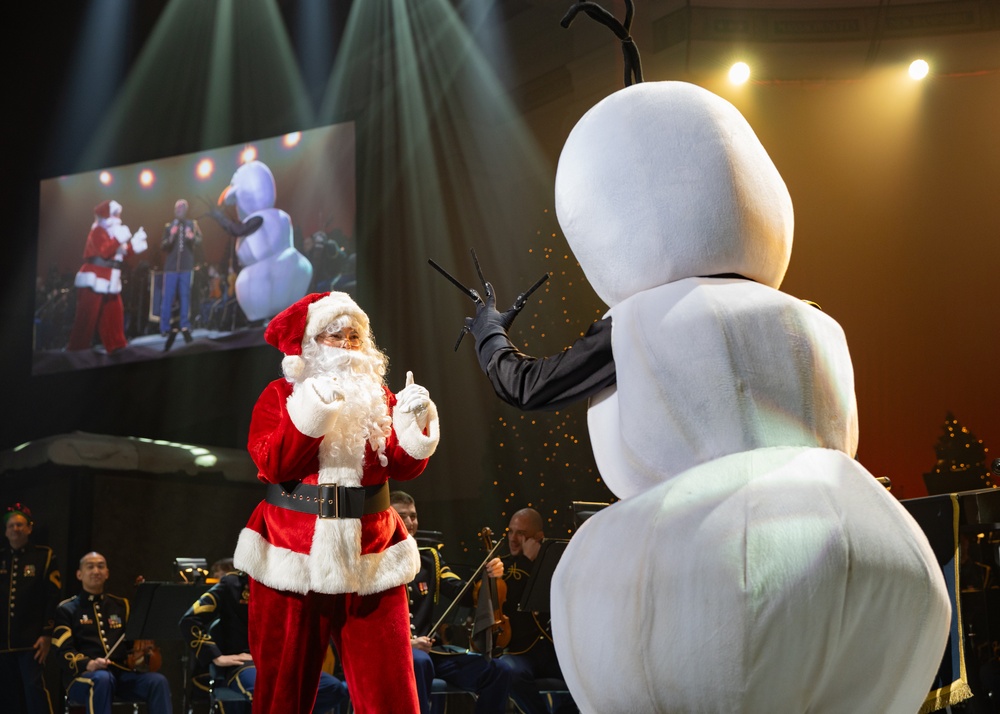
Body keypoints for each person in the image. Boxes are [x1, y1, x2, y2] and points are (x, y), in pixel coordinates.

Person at [232, 291, 441, 714]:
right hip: (291, 554)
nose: (347, 345)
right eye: (335, 335)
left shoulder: (380, 396)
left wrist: (417, 425)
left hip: (371, 554)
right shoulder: (281, 395)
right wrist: (312, 412)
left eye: (354, 336)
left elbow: (402, 466)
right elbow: (273, 465)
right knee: (281, 693)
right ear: (311, 344)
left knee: (390, 693)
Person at [390, 491, 511, 714]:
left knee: (499, 670)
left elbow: (462, 593)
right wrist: (407, 644)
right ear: (386, 518)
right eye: (402, 516)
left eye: (413, 516)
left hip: (431, 654)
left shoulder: (430, 558)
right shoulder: (372, 561)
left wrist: (488, 575)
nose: (410, 523)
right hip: (394, 655)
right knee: (419, 662)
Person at [179, 568, 349, 712]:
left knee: (333, 688)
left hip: (282, 663)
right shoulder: (233, 584)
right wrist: (216, 656)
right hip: (244, 663)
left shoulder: (288, 585)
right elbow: (190, 620)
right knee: (269, 693)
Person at [52, 552, 171, 714]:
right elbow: (62, 651)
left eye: (101, 566)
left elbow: (130, 645)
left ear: (107, 573)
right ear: (79, 574)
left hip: (120, 676)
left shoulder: (121, 606)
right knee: (102, 678)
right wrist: (89, 663)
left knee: (157, 681)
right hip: (83, 678)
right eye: (90, 567)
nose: (96, 571)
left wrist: (141, 652)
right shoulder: (67, 609)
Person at [495, 509, 575, 714]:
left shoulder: (558, 565)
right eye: (510, 531)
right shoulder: (503, 567)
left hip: (552, 652)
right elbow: (514, 598)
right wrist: (525, 562)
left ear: (539, 538)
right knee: (508, 671)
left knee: (583, 674)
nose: (513, 539)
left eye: (520, 534)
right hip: (520, 652)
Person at [0, 503, 62, 714]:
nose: (15, 529)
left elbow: (52, 596)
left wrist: (47, 633)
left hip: (31, 640)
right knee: (7, 693)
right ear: (5, 531)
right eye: (11, 526)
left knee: (33, 688)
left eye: (20, 525)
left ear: (29, 528)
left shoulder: (43, 556)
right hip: (3, 640)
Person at [67, 200, 148, 354]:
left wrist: (135, 244)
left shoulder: (113, 234)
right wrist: (119, 238)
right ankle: (76, 350)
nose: (119, 216)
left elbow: (120, 255)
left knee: (114, 313)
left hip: (110, 279)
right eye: (115, 213)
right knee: (86, 317)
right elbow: (104, 251)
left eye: (119, 213)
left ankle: (117, 345)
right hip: (94, 277)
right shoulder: (98, 231)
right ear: (107, 215)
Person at [159, 199, 202, 348]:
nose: (179, 209)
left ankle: (185, 324)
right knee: (167, 298)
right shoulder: (168, 226)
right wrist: (171, 235)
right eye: (177, 207)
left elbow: (199, 241)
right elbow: (163, 245)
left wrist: (192, 238)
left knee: (185, 296)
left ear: (186, 210)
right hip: (170, 268)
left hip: (186, 267)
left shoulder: (193, 224)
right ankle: (164, 328)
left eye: (182, 207)